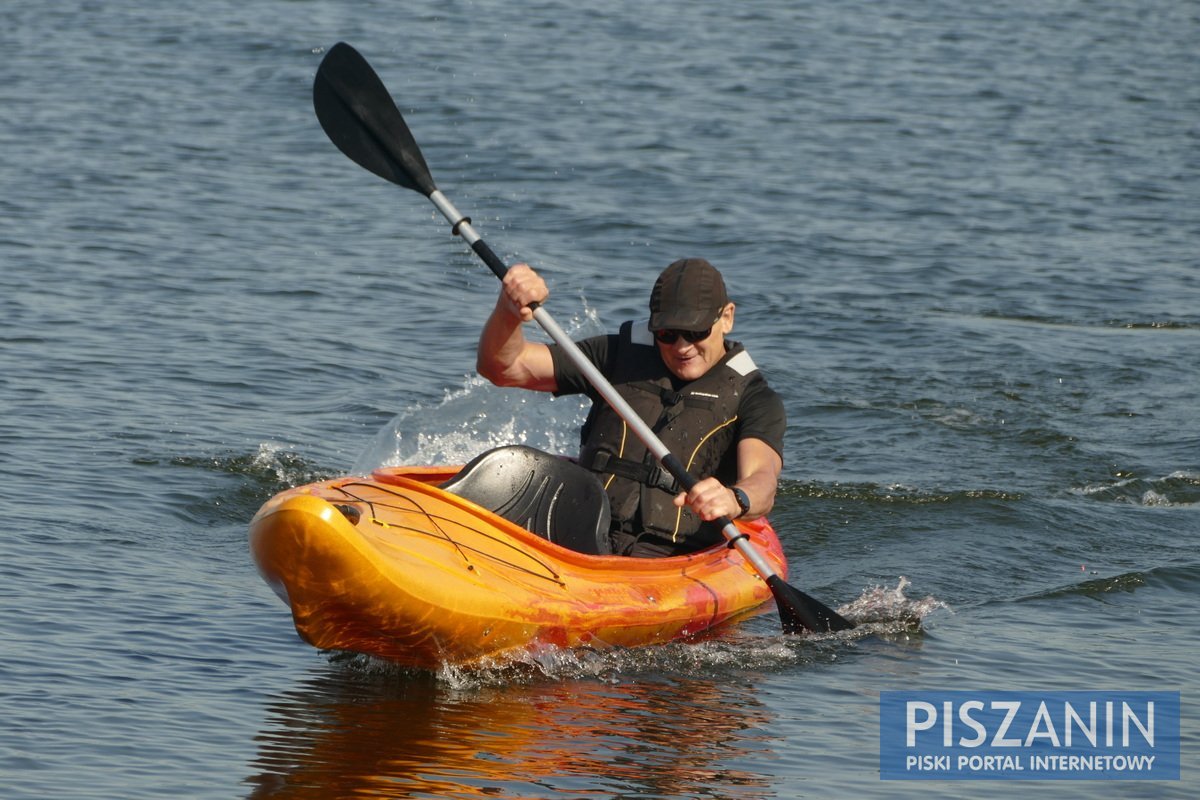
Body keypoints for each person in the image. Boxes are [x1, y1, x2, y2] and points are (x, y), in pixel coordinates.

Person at [477, 257, 785, 557]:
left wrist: (735, 499)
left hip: (669, 555)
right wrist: (508, 312)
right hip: (580, 530)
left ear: (727, 318)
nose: (681, 347)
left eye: (696, 333)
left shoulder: (754, 397)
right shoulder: (615, 356)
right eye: (667, 334)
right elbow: (503, 367)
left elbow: (763, 480)